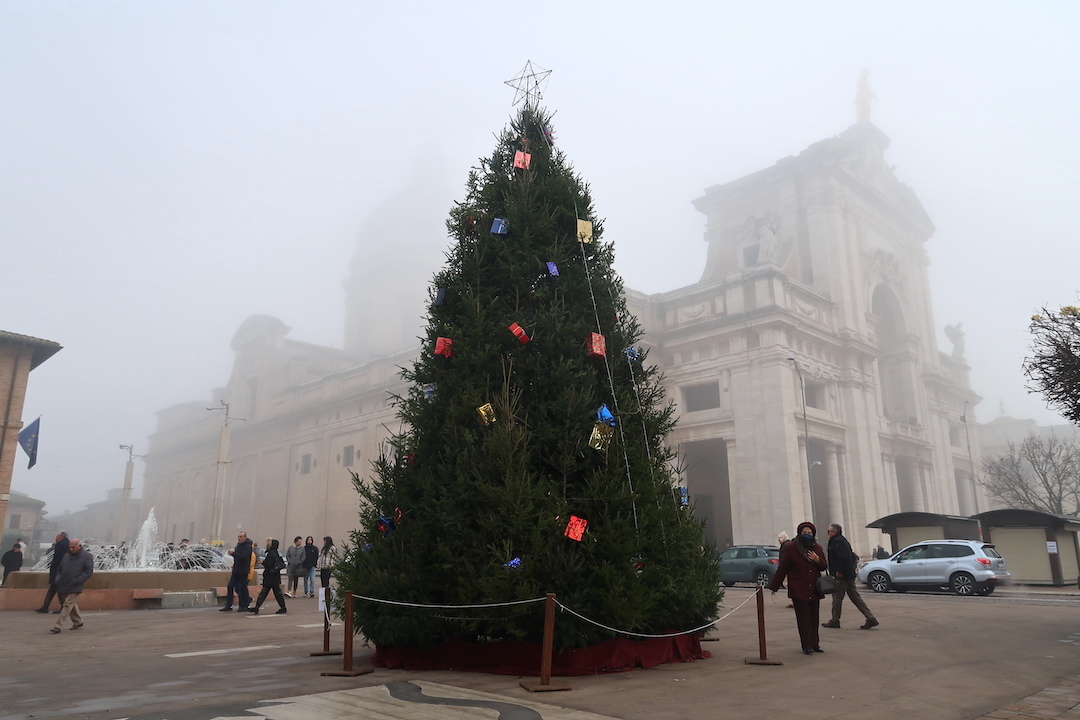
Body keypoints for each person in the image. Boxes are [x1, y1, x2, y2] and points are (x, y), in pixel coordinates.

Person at [768, 521, 828, 655]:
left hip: (814, 588)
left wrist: (817, 559)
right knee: (804, 618)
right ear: (799, 533)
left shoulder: (817, 548)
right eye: (804, 532)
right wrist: (774, 586)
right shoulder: (791, 547)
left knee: (814, 618)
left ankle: (815, 644)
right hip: (798, 588)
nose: (807, 534)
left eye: (809, 533)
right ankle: (807, 645)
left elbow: (824, 566)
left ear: (813, 534)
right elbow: (782, 568)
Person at [822, 523, 879, 630]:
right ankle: (870, 618)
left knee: (837, 597)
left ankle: (835, 620)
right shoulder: (841, 540)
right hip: (848, 574)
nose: (827, 533)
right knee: (855, 597)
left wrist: (839, 571)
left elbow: (843, 557)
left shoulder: (837, 541)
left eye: (828, 531)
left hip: (842, 575)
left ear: (834, 532)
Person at [50, 538, 94, 634]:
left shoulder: (87, 556)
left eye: (73, 547)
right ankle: (78, 621)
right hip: (63, 584)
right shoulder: (66, 556)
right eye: (70, 547)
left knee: (67, 605)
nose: (71, 549)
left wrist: (78, 580)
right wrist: (58, 579)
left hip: (75, 585)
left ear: (79, 546)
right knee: (70, 604)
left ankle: (58, 626)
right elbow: (59, 569)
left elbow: (88, 571)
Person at [249, 538, 286, 615]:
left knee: (264, 593)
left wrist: (263, 563)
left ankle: (257, 607)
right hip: (275, 576)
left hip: (270, 577)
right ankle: (282, 607)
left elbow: (268, 565)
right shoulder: (276, 553)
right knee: (277, 593)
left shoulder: (271, 553)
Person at [36, 532, 70, 613]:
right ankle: (45, 606)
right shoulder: (65, 543)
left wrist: (54, 566)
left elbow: (59, 557)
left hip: (58, 570)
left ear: (62, 537)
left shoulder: (62, 545)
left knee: (58, 588)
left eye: (57, 536)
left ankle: (62, 608)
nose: (56, 538)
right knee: (53, 588)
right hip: (60, 569)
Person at [221, 531, 254, 612]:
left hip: (243, 570)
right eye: (238, 537)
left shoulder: (247, 546)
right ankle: (229, 605)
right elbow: (238, 558)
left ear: (245, 537)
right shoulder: (239, 545)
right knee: (230, 586)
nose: (239, 538)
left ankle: (244, 605)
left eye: (241, 537)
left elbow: (244, 557)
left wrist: (233, 554)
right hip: (236, 569)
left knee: (242, 588)